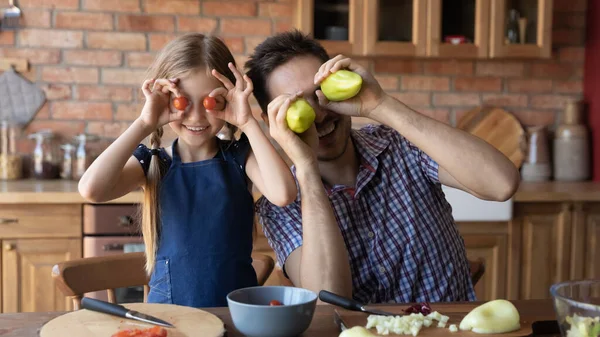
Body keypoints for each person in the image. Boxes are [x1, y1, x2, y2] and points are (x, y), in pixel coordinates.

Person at [244, 30, 520, 304]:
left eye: (319, 93)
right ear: (271, 123)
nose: (317, 114)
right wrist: (306, 168)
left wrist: (380, 104)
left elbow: (502, 184)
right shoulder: (282, 206)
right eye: (296, 105)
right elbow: (328, 302)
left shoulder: (400, 144)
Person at [78, 33, 298, 308]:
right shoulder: (154, 161)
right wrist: (144, 123)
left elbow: (284, 194)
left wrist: (248, 121)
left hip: (235, 316)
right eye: (182, 102)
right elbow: (91, 189)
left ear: (228, 99)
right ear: (164, 100)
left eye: (210, 102)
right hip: (171, 318)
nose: (195, 117)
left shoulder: (241, 155)